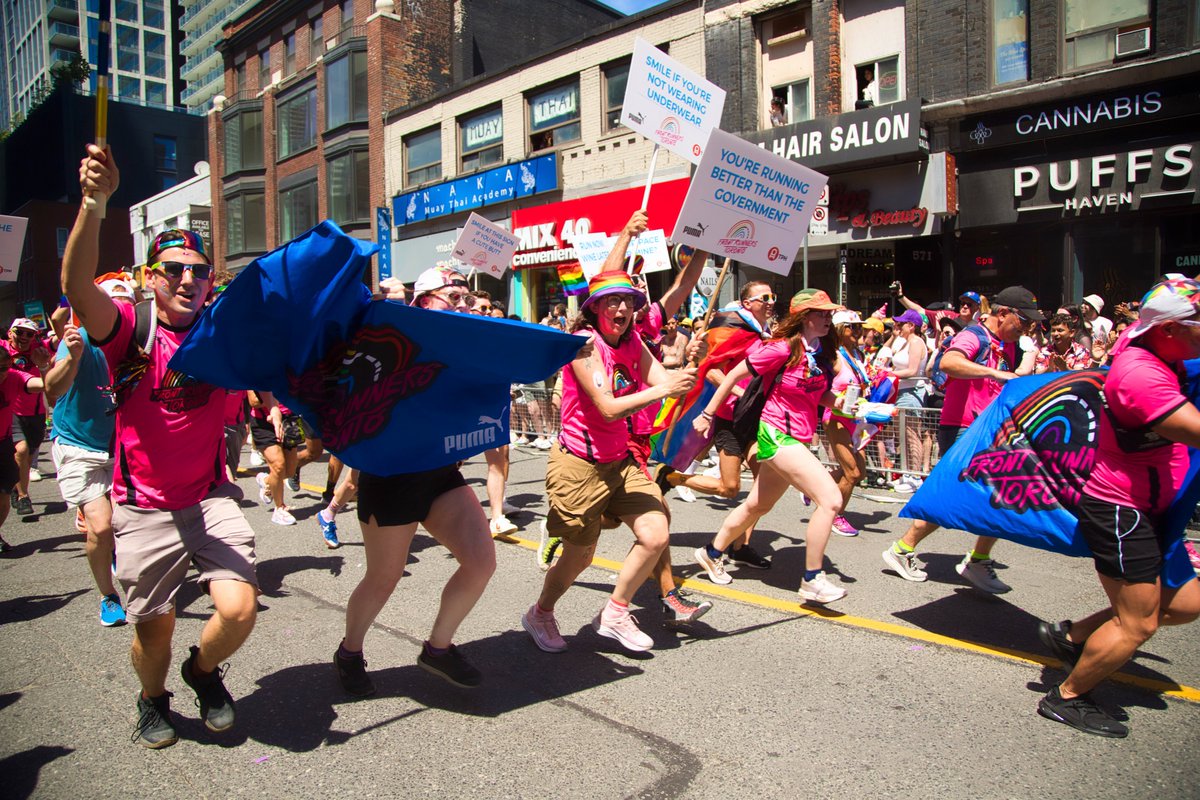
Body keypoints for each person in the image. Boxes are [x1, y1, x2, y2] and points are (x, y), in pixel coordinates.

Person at [66, 144, 259, 750]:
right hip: (143, 509)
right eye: (173, 269)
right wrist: (95, 203)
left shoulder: (223, 330)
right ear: (152, 278)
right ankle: (153, 700)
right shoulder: (131, 329)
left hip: (208, 499)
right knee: (154, 634)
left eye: (198, 270)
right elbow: (75, 283)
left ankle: (201, 675)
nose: (187, 279)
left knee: (239, 609)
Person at [1036, 278, 1200, 738]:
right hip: (1120, 510)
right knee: (1139, 622)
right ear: (1168, 329)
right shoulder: (1141, 374)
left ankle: (1071, 638)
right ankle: (1067, 697)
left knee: (1186, 603)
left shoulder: (1157, 346)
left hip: (1150, 507)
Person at [335, 266, 497, 695]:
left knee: (482, 562)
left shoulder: (468, 342)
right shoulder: (391, 338)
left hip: (440, 475)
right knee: (382, 578)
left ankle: (438, 649)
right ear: (424, 301)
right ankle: (350, 651)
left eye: (467, 296)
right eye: (453, 296)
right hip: (390, 477)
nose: (464, 303)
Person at [522, 270, 696, 654]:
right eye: (612, 301)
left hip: (621, 462)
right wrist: (666, 387)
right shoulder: (584, 344)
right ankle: (541, 613)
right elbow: (608, 407)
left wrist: (684, 372)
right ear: (595, 307)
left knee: (655, 533)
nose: (622, 308)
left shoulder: (633, 340)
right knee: (579, 558)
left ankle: (615, 613)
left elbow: (659, 378)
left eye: (629, 301)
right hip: (579, 466)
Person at [691, 289, 849, 603]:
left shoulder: (819, 351)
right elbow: (733, 373)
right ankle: (812, 579)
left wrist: (854, 408)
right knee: (830, 500)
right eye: (822, 313)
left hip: (798, 437)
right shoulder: (780, 348)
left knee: (758, 505)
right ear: (804, 317)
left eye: (830, 313)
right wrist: (708, 414)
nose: (828, 318)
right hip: (777, 434)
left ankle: (711, 552)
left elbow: (820, 396)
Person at [881, 287, 1041, 594]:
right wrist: (995, 373)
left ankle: (977, 560)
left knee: (1000, 493)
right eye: (1023, 320)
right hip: (963, 428)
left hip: (987, 428)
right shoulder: (975, 336)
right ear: (1003, 313)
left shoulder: (1005, 344)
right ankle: (902, 549)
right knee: (954, 496)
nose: (1025, 328)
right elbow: (949, 363)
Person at [44, 277, 134, 627]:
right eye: (114, 306)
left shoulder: (138, 345)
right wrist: (72, 360)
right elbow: (53, 388)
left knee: (127, 524)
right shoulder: (79, 339)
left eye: (128, 306)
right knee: (101, 525)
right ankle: (108, 596)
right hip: (80, 446)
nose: (121, 314)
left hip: (121, 447)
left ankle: (115, 552)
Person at [824, 310, 870, 536]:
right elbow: (822, 387)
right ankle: (835, 515)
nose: (859, 331)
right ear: (840, 330)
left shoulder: (858, 355)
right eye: (853, 327)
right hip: (836, 417)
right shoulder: (833, 355)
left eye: (860, 327)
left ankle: (818, 485)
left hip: (856, 417)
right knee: (851, 472)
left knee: (859, 472)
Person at [4, 317, 53, 517]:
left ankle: (18, 488)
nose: (24, 337)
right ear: (10, 333)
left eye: (29, 333)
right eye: (19, 332)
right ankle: (24, 496)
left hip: (36, 413)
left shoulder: (40, 349)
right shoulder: (2, 349)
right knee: (21, 452)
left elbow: (59, 337)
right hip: (11, 411)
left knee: (28, 456)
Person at [0, 348, 47, 552]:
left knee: (3, 497)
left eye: (3, 368)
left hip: (3, 442)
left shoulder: (13, 377)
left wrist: (44, 367)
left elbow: (46, 385)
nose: (0, 373)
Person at [887, 309, 930, 494]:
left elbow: (912, 370)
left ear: (911, 326)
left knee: (912, 434)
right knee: (902, 434)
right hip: (901, 391)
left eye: (901, 324)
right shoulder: (904, 343)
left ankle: (915, 476)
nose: (898, 326)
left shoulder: (916, 342)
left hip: (912, 392)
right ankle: (906, 473)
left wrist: (887, 374)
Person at [248, 390, 304, 526]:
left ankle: (266, 480)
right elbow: (254, 401)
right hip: (264, 422)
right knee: (278, 466)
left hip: (289, 421)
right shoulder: (256, 371)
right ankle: (279, 508)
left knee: (290, 471)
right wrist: (281, 396)